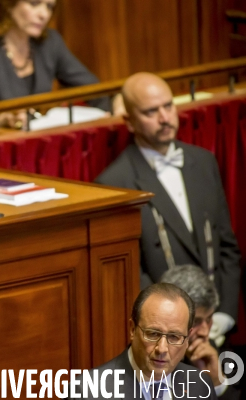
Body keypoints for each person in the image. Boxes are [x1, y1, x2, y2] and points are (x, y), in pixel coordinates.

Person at [95, 72, 241, 343]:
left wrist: (223, 316)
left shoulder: (204, 161)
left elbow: (226, 247)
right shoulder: (115, 183)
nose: (165, 118)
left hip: (216, 329)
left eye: (168, 106)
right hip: (163, 341)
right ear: (129, 121)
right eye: (151, 111)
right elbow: (130, 274)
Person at [0, 0, 110, 139]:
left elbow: (93, 90)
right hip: (0, 152)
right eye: (34, 3)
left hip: (41, 146)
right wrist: (0, 121)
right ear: (9, 5)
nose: (44, 14)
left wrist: (116, 104)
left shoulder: (50, 43)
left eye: (49, 6)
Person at [87, 283, 216, 399]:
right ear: (133, 329)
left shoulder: (200, 385)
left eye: (174, 337)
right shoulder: (88, 393)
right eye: (153, 334)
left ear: (187, 338)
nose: (162, 348)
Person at [161, 265, 239, 399]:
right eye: (196, 321)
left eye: (209, 319)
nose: (204, 332)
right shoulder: (146, 361)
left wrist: (217, 384)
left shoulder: (214, 355)